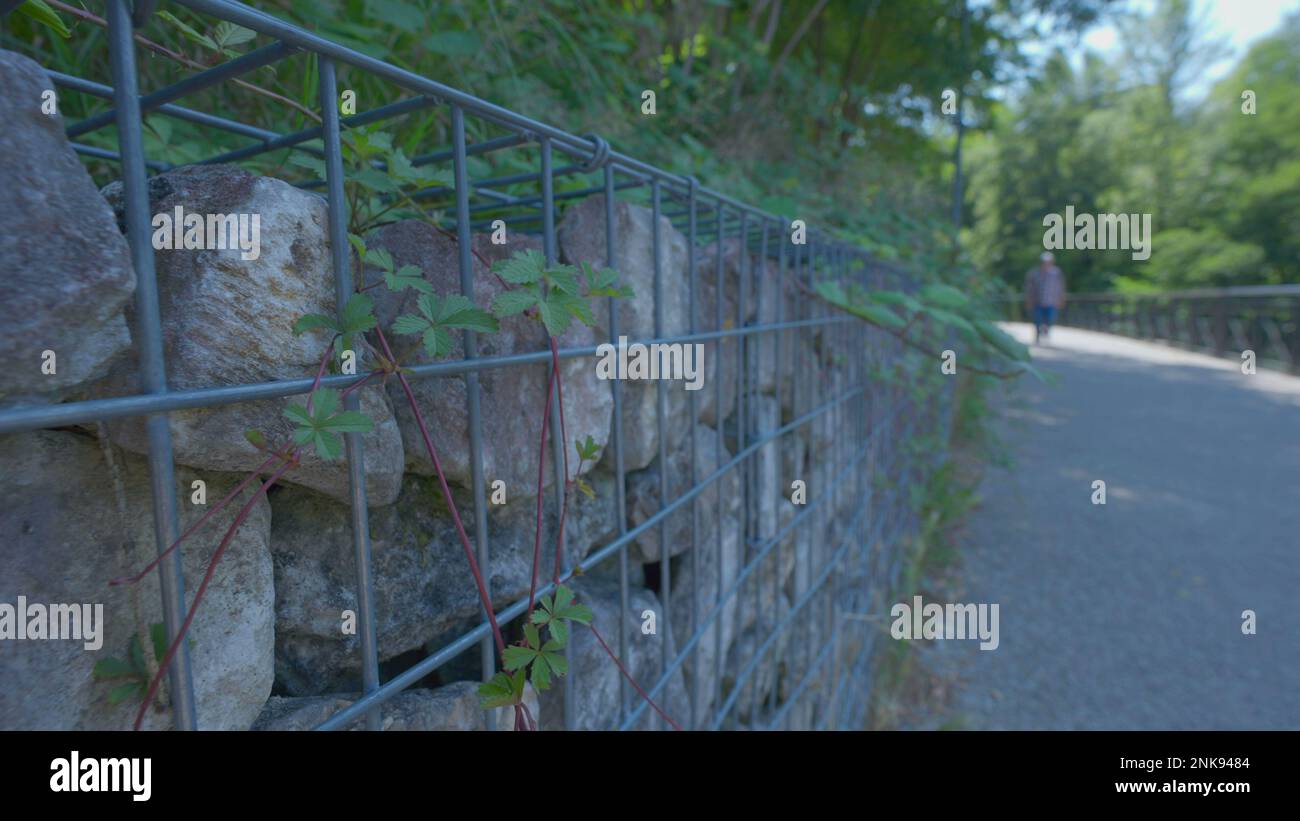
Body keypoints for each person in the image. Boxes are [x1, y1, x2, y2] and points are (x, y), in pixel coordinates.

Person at [1024, 252, 1066, 343]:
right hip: (1037, 301)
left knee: (1050, 319)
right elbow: (1029, 288)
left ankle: (1046, 330)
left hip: (1051, 301)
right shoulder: (1034, 273)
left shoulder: (1056, 273)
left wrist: (1061, 299)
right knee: (1037, 319)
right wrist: (1028, 300)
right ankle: (1038, 333)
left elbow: (1060, 287)